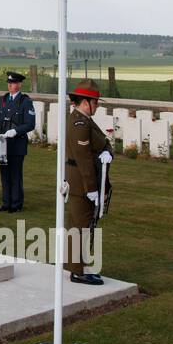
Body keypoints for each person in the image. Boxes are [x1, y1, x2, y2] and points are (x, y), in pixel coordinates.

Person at [65, 79, 112, 286]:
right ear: (86, 101)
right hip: (81, 182)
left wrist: (105, 151)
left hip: (83, 180)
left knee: (82, 225)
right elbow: (83, 158)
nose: (97, 105)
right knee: (80, 225)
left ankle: (79, 266)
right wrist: (92, 188)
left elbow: (99, 142)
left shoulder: (83, 119)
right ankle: (78, 271)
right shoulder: (79, 122)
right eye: (95, 101)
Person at [0, 71, 36, 213]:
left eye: (14, 83)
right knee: (4, 174)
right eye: (9, 83)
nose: (11, 86)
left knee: (15, 175)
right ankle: (6, 203)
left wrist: (15, 131)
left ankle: (16, 205)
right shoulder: (3, 99)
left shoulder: (25, 101)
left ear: (20, 84)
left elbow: (30, 124)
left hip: (17, 144)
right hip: (3, 144)